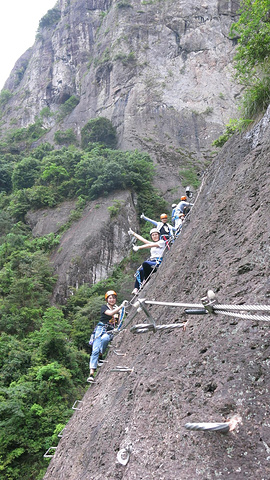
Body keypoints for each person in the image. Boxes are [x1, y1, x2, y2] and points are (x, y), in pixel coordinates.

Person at [87, 291, 126, 382]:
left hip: (109, 331)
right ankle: (91, 374)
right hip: (100, 329)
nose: (112, 300)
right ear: (107, 300)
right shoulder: (104, 307)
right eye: (110, 298)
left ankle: (101, 355)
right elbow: (110, 313)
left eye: (113, 298)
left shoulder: (117, 310)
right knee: (95, 350)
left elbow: (119, 322)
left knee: (105, 339)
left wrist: (121, 313)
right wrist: (121, 306)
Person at [129, 228, 166, 294]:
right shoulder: (153, 243)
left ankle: (145, 280)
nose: (154, 236)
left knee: (145, 263)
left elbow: (149, 245)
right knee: (140, 270)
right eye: (153, 235)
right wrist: (133, 233)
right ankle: (136, 288)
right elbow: (143, 239)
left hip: (157, 263)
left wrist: (139, 247)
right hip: (151, 263)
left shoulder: (161, 242)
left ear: (159, 235)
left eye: (156, 234)